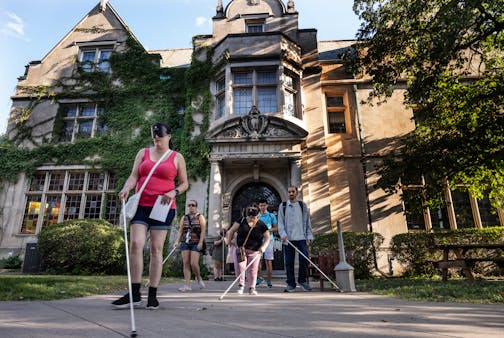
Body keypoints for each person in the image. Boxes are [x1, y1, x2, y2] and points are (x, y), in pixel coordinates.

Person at [112, 122, 188, 310]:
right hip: (141, 206)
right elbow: (133, 176)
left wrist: (174, 192)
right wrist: (126, 188)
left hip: (162, 207)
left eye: (160, 137)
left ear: (169, 136)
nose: (157, 140)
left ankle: (152, 294)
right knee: (136, 244)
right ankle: (134, 293)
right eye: (154, 137)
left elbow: (185, 183)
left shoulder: (177, 157)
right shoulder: (143, 153)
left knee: (156, 249)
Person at [226, 203, 270, 295]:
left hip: (255, 251)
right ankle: (241, 286)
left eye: (253, 216)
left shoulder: (261, 224)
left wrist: (264, 247)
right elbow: (231, 231)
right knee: (240, 268)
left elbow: (267, 237)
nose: (251, 218)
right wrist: (229, 242)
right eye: (249, 216)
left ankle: (252, 288)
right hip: (241, 250)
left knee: (253, 270)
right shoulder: (241, 221)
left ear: (258, 215)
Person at [277, 186, 313, 292]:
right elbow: (280, 222)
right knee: (289, 262)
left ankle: (302, 281)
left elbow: (307, 222)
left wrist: (309, 235)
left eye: (293, 191)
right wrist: (282, 234)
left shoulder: (302, 205)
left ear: (297, 193)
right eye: (289, 192)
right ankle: (291, 283)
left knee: (304, 259)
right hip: (288, 239)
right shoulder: (283, 206)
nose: (291, 193)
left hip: (301, 237)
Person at [174, 200, 207, 291]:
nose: (191, 207)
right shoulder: (184, 217)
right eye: (189, 205)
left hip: (196, 242)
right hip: (185, 242)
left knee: (193, 263)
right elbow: (180, 231)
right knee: (186, 263)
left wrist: (201, 242)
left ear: (196, 207)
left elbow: (203, 231)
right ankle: (187, 285)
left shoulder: (200, 217)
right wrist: (177, 241)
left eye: (193, 205)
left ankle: (198, 277)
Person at [256, 199, 278, 288]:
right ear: (259, 206)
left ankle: (269, 280)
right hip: (258, 241)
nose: (262, 207)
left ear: (267, 206)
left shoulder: (271, 216)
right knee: (257, 261)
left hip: (269, 240)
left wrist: (267, 230)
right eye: (261, 205)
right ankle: (260, 277)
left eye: (264, 205)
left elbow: (276, 228)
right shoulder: (257, 216)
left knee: (268, 261)